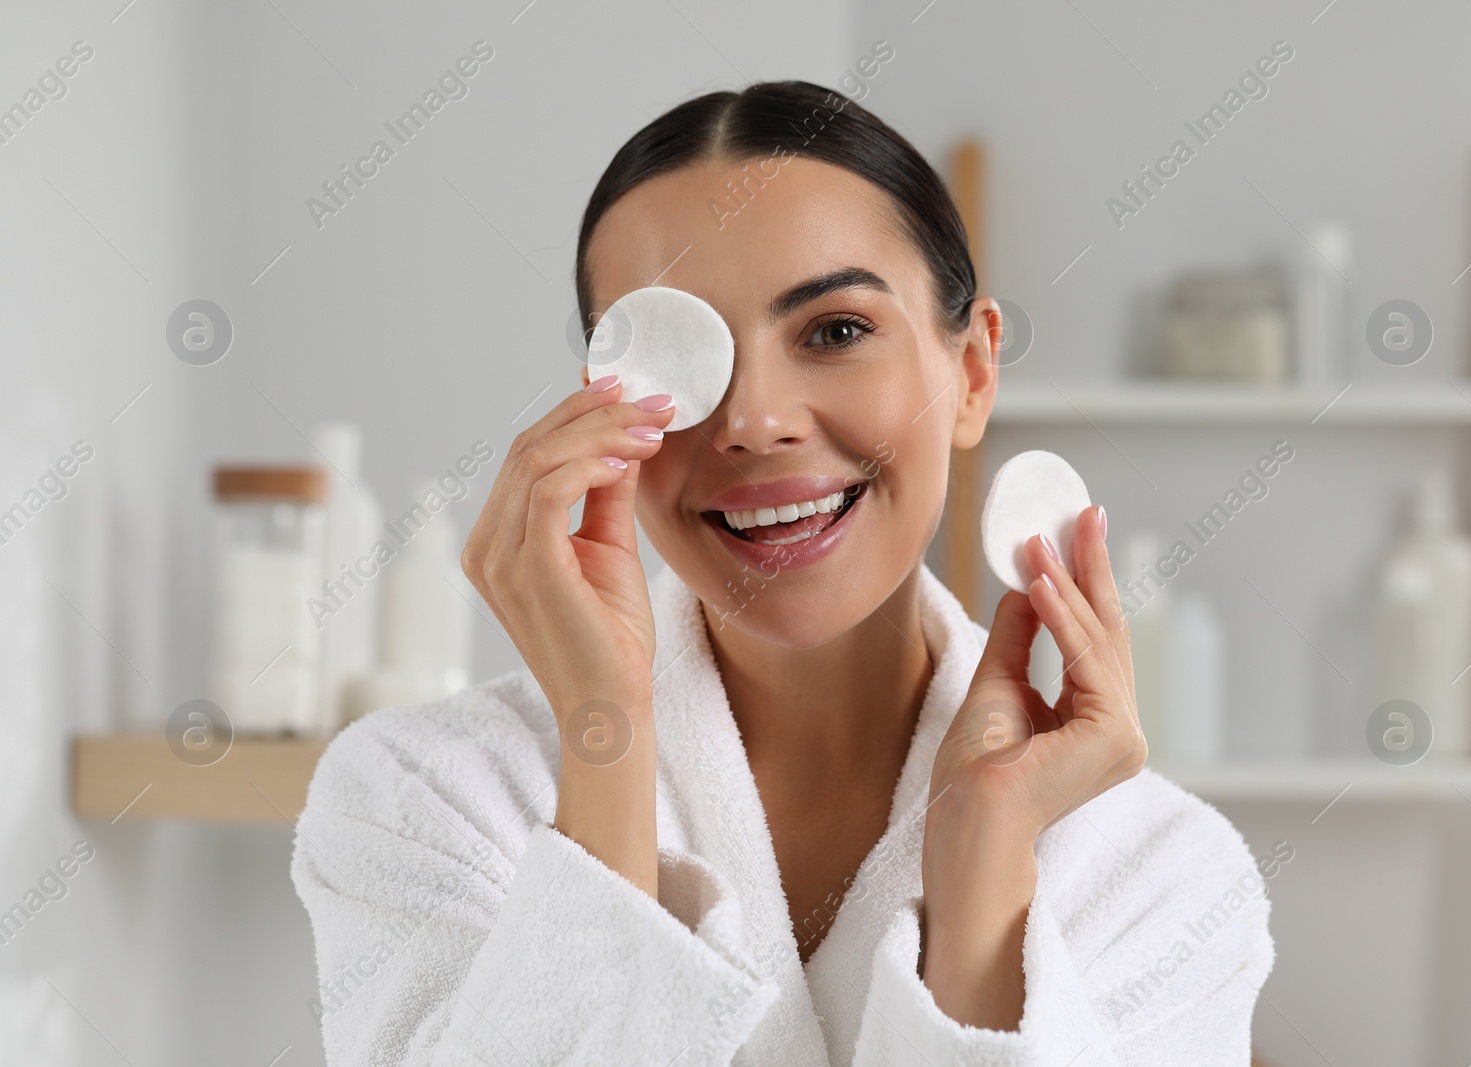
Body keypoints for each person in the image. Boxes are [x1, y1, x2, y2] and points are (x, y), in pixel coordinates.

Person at [291, 79, 1273, 1065]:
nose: (755, 419)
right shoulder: (422, 797)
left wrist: (982, 872)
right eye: (680, 354)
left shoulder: (1162, 876)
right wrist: (607, 739)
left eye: (836, 330)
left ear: (972, 372)